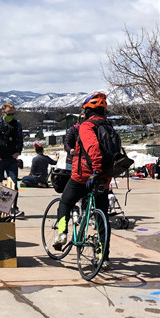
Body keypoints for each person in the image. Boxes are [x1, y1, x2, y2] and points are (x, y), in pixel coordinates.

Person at [52, 93, 112, 270]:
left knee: (65, 201)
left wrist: (96, 170)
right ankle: (103, 256)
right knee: (102, 216)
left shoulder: (87, 126)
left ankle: (62, 233)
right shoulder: (108, 125)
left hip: (85, 175)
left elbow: (94, 149)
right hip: (104, 177)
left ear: (88, 110)